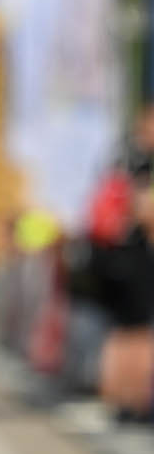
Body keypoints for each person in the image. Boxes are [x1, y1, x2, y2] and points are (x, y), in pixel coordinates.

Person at [79, 107, 154, 423]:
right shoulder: (139, 162)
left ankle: (122, 401)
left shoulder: (121, 155)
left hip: (114, 253)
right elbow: (144, 210)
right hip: (131, 254)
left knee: (124, 329)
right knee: (136, 332)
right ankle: (131, 402)